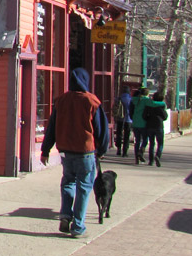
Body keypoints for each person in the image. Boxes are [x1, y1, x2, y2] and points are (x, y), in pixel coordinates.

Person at [40, 67, 109, 238]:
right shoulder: (92, 101)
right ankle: (78, 226)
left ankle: (65, 215)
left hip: (65, 151)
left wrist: (45, 149)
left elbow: (52, 127)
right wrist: (102, 150)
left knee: (68, 182)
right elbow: (101, 129)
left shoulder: (61, 100)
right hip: (85, 151)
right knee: (84, 187)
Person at [144, 91, 168, 166]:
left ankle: (150, 161)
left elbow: (144, 115)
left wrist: (148, 119)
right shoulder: (161, 106)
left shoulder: (149, 106)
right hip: (159, 126)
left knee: (151, 143)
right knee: (160, 143)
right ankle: (157, 156)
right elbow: (165, 117)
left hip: (150, 126)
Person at [130, 87, 152, 165]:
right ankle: (141, 152)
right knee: (145, 140)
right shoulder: (147, 100)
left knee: (137, 141)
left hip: (135, 123)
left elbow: (131, 111)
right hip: (143, 123)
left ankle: (136, 158)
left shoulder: (134, 100)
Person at [114, 85, 133, 157]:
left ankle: (118, 149)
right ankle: (125, 151)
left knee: (119, 134)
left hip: (120, 118)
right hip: (128, 119)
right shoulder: (131, 99)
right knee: (127, 135)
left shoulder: (118, 98)